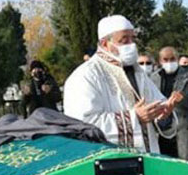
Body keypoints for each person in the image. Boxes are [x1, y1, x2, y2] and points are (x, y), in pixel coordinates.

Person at [64, 15, 172, 153]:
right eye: (124, 40)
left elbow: (156, 105)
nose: (131, 44)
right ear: (104, 44)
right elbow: (81, 126)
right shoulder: (85, 75)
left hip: (149, 156)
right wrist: (134, 118)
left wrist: (164, 112)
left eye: (132, 38)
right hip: (111, 162)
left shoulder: (138, 72)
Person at [150, 46, 188, 162]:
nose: (169, 62)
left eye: (172, 59)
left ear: (178, 59)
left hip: (184, 129)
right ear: (160, 61)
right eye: (166, 59)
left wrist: (184, 99)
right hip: (162, 130)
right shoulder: (153, 78)